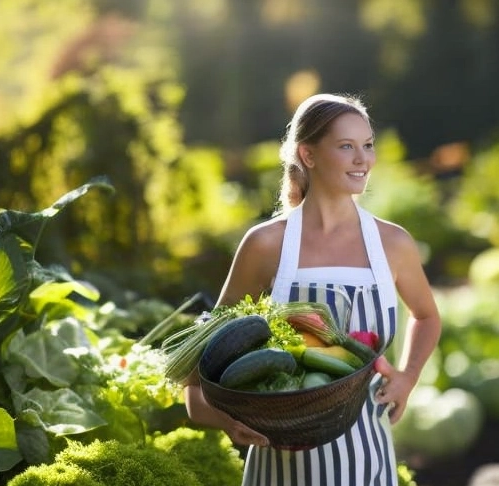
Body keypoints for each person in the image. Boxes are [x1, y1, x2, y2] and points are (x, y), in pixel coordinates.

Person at [184, 93, 442, 485]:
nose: (363, 160)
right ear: (308, 155)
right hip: (280, 467)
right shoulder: (266, 244)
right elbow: (203, 360)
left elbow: (426, 315)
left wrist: (408, 376)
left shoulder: (392, 244)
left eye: (368, 145)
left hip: (367, 461)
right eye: (346, 146)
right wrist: (226, 419)